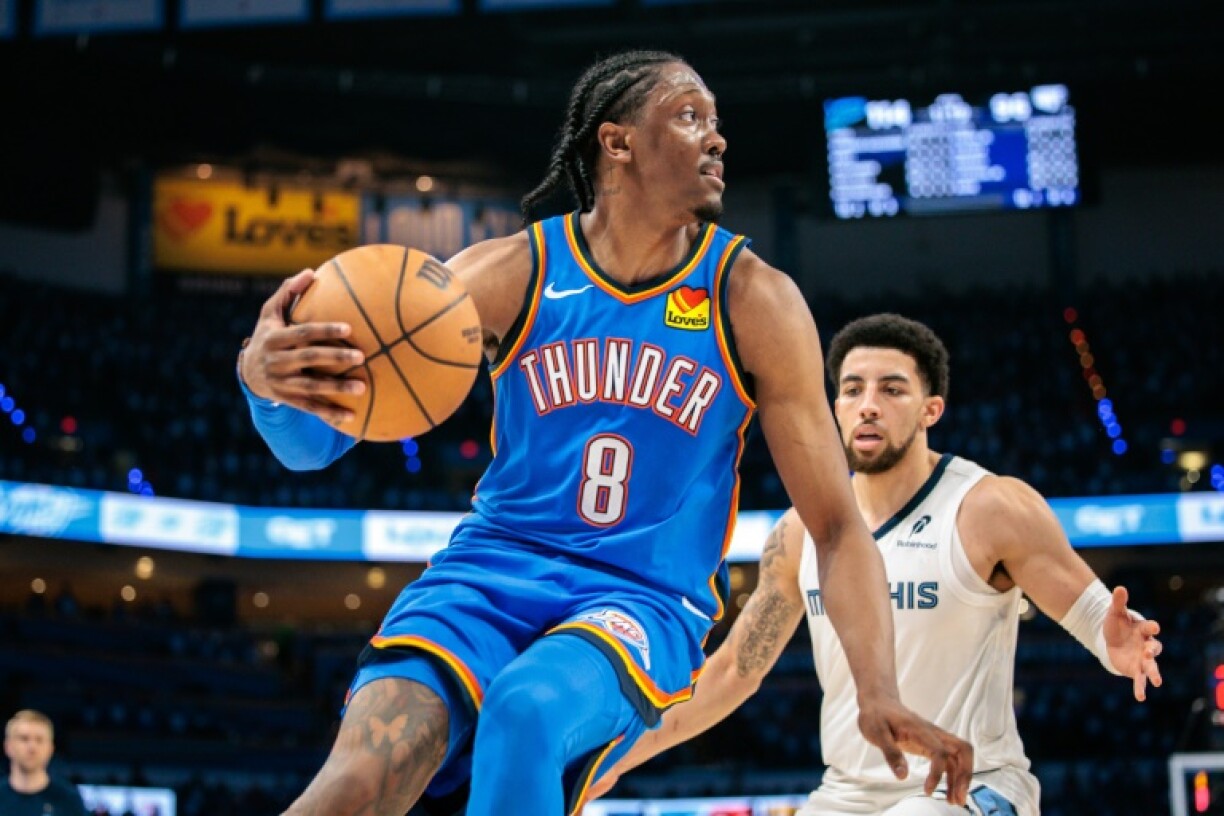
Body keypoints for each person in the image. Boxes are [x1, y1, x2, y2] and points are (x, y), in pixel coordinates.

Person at [238, 52, 972, 816]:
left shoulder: (752, 298)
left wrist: (878, 690)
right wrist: (264, 380)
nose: (717, 140)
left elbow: (834, 526)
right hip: (488, 571)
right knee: (357, 779)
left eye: (719, 124)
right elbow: (310, 447)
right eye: (691, 117)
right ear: (617, 142)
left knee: (525, 711)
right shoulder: (509, 272)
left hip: (641, 598)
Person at [590, 313, 1164, 815]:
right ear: (833, 406)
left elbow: (1094, 615)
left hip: (970, 790)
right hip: (847, 795)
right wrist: (620, 756)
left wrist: (1115, 642)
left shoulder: (989, 508)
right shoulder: (800, 531)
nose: (868, 404)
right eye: (852, 389)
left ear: (930, 409)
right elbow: (736, 670)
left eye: (892, 390)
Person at [1, 709, 88, 816]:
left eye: (39, 740)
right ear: (8, 746)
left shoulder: (69, 800)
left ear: (50, 749)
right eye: (24, 738)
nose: (32, 747)